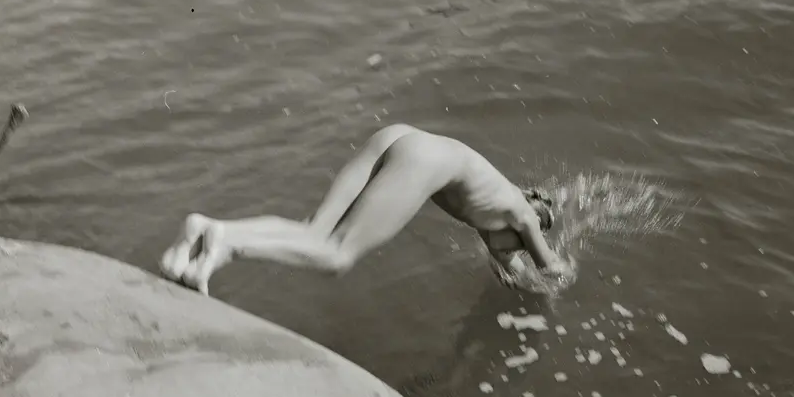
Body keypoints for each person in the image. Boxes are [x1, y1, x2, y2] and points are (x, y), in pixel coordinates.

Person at [160, 123, 568, 296]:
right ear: (534, 207)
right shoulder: (522, 215)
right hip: (425, 158)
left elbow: (513, 271)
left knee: (315, 231)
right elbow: (551, 268)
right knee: (337, 256)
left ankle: (205, 230)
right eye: (534, 230)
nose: (526, 239)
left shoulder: (496, 210)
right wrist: (570, 276)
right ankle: (227, 245)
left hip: (400, 136)